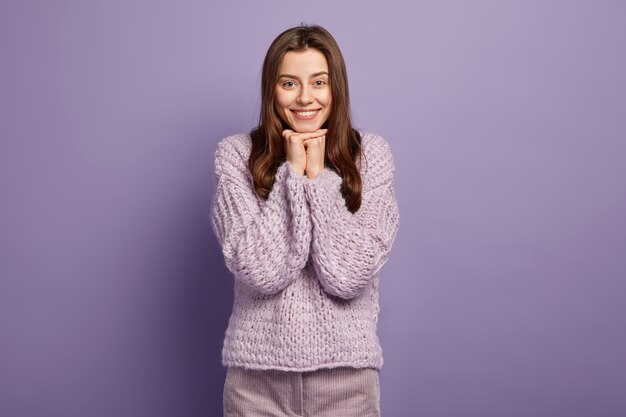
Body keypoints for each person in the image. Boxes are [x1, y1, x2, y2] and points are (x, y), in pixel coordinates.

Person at [211, 24, 399, 417]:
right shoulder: (235, 156)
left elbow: (347, 276)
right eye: (289, 83)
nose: (305, 98)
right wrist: (291, 176)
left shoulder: (371, 157)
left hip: (347, 384)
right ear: (271, 90)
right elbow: (259, 270)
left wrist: (319, 181)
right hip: (256, 385)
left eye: (318, 82)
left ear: (336, 89)